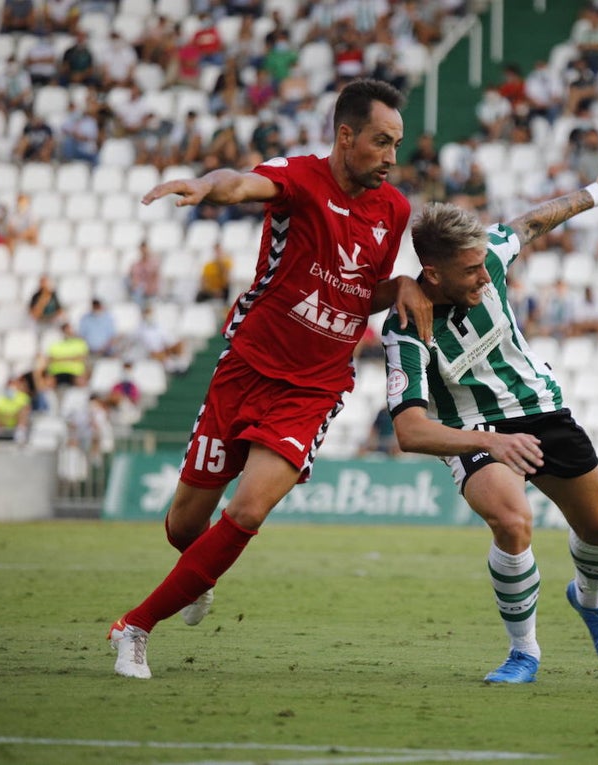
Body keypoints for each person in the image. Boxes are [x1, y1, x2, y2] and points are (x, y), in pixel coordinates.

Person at [106, 79, 432, 680]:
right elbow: (242, 182)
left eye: (397, 144)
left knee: (249, 511)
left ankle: (135, 628)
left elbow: (363, 294)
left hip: (313, 388)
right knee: (184, 525)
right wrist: (205, 186)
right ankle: (193, 578)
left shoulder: (395, 210)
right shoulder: (300, 177)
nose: (392, 157)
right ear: (346, 136)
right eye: (382, 142)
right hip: (246, 368)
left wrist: (405, 286)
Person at [381, 142, 598, 683]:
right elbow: (410, 431)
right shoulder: (405, 330)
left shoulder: (486, 257)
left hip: (541, 408)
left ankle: (591, 600)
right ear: (432, 275)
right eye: (469, 272)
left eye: (483, 265)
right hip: (473, 430)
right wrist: (490, 444)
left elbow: (532, 222)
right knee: (512, 522)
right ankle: (524, 652)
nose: (484, 278)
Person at [0, 375, 32, 445]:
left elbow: (25, 408)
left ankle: (20, 435)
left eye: (14, 384)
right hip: (0, 423)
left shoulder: (23, 397)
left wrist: (11, 415)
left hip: (15, 422)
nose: (12, 387)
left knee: (23, 412)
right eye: (10, 384)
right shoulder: (0, 398)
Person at [45, 322, 90, 388]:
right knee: (48, 381)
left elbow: (81, 358)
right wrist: (71, 358)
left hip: (75, 372)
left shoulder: (80, 342)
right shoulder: (55, 342)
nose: (67, 331)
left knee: (81, 380)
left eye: (68, 329)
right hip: (57, 372)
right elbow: (51, 359)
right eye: (65, 329)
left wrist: (61, 359)